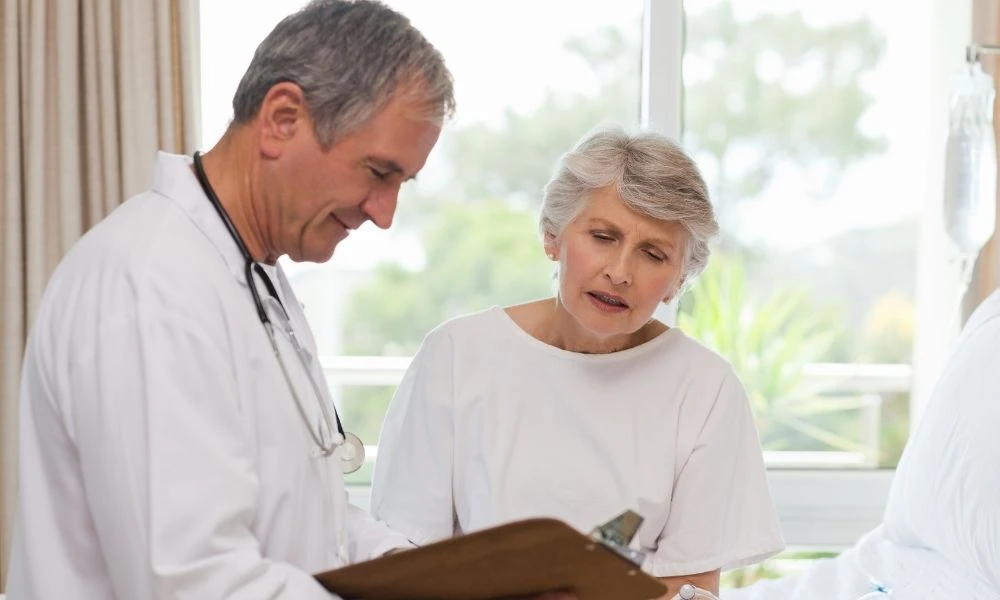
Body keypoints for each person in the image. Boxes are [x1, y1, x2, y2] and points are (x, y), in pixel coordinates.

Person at [5, 1, 460, 598]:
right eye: (378, 173)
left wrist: (449, 578)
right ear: (282, 118)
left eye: (401, 183)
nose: (383, 214)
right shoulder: (151, 283)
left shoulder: (255, 278)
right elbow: (193, 581)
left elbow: (310, 521)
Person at [370, 127, 787, 598]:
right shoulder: (456, 355)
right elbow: (406, 553)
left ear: (678, 280)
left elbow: (692, 582)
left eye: (653, 254)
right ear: (553, 236)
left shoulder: (705, 388)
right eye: (603, 236)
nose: (620, 272)